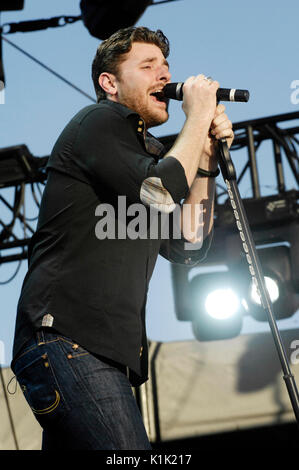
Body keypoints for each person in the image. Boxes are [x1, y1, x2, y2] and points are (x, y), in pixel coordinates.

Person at [11, 26, 234, 450]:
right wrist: (199, 115)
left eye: (165, 66)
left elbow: (189, 242)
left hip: (98, 355)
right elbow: (163, 191)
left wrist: (204, 160)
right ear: (109, 83)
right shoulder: (99, 121)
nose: (163, 76)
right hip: (69, 341)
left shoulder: (147, 154)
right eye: (147, 66)